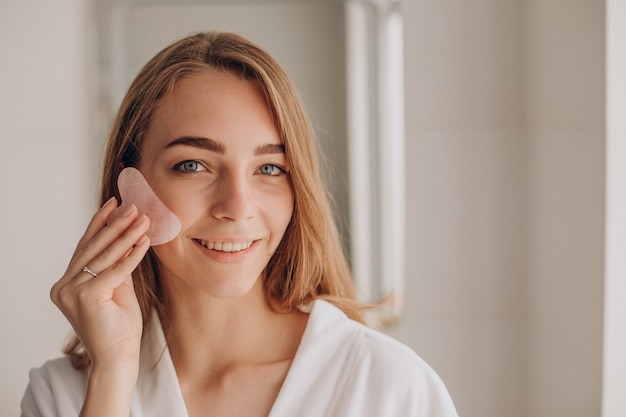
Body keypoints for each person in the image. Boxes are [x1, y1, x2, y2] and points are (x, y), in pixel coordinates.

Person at [20, 31, 458, 417]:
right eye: (194, 165)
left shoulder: (392, 390)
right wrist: (113, 374)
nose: (236, 206)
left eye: (269, 169)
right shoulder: (63, 396)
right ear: (129, 183)